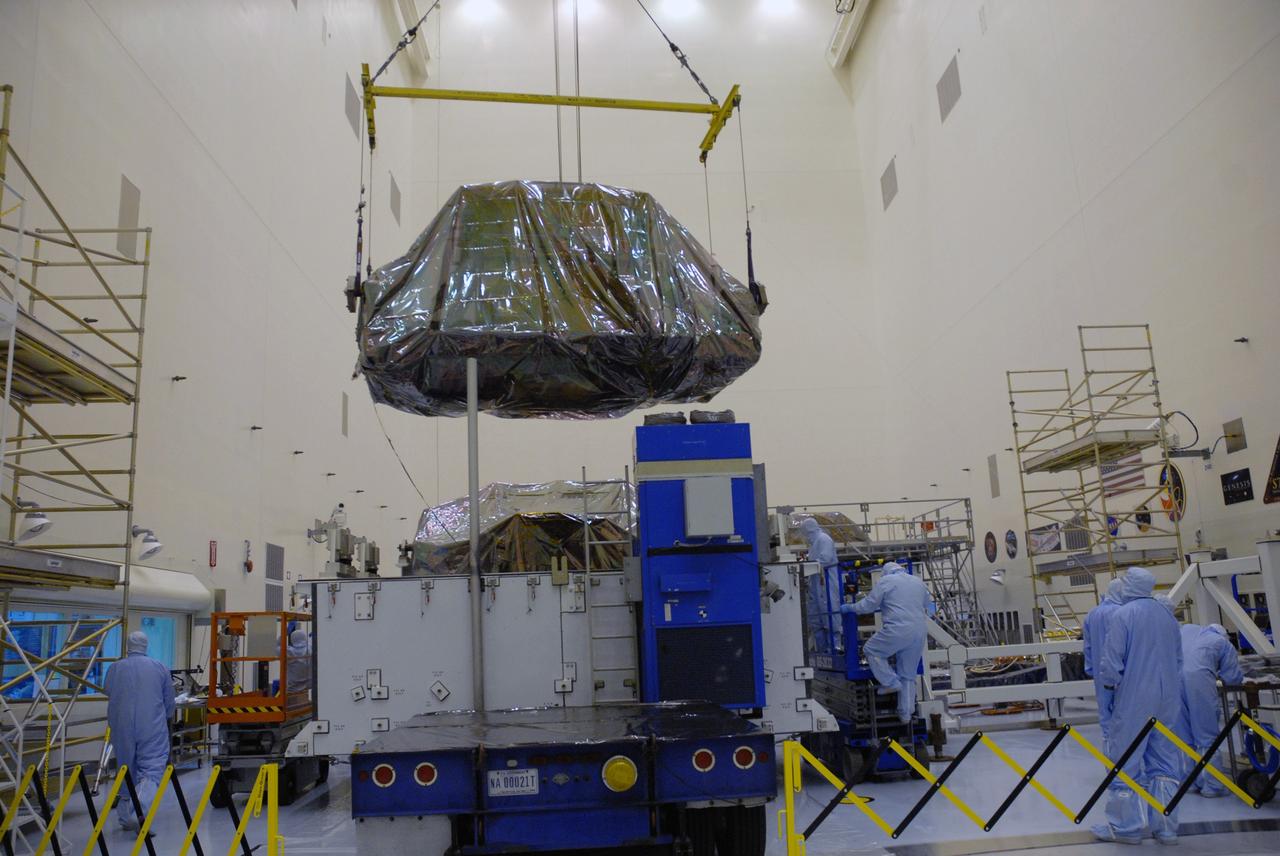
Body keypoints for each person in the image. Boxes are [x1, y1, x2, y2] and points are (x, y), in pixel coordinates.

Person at [1092, 567, 1184, 845]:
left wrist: (1109, 691)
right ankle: (1166, 828)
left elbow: (1111, 662)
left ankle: (1126, 828)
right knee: (1165, 762)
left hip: (1134, 698)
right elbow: (1178, 659)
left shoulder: (1124, 615)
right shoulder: (1167, 616)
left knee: (1126, 761)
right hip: (1168, 697)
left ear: (1128, 586)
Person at [840, 562, 932, 723]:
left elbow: (868, 605)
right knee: (908, 674)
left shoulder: (886, 581)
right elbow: (926, 604)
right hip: (919, 630)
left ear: (886, 572)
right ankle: (906, 714)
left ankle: (890, 681)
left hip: (897, 628)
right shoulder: (917, 581)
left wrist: (850, 608)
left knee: (871, 650)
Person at [104, 631, 175, 830]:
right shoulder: (159, 667)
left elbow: (108, 691)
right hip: (151, 724)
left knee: (126, 768)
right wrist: (164, 717)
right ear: (146, 645)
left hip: (121, 725)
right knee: (151, 768)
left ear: (128, 645)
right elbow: (169, 701)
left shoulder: (115, 668)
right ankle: (139, 811)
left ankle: (125, 817)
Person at [1180, 623, 1243, 798]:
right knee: (1206, 735)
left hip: (1173, 682)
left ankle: (1190, 782)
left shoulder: (1187, 632)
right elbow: (1232, 679)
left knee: (1184, 736)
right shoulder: (1222, 642)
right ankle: (1212, 786)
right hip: (1198, 683)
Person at [1083, 578, 1125, 741]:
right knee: (1125, 716)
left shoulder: (1092, 614)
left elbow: (1087, 646)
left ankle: (1111, 759)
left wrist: (1091, 669)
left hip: (1100, 674)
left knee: (1106, 718)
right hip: (1122, 672)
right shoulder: (1122, 612)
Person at [286, 628, 313, 695]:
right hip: (309, 689)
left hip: (292, 690)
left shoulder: (289, 651)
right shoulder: (310, 649)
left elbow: (276, 647)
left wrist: (284, 633)